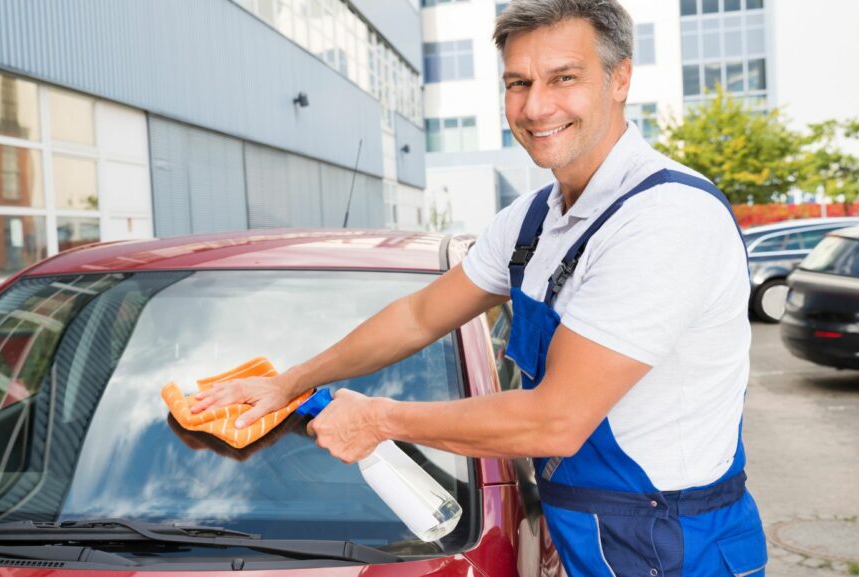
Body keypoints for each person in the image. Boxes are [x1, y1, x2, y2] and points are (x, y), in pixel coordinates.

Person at [190, 0, 767, 574]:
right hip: (586, 530)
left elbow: (556, 421)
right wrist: (291, 380)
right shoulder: (534, 219)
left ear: (620, 78)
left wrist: (379, 420)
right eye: (518, 83)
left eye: (563, 78)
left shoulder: (665, 219)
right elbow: (418, 316)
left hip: (672, 544)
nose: (536, 106)